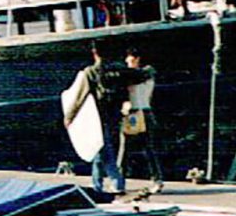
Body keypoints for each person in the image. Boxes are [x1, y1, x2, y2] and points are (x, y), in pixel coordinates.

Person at [64, 42, 149, 199]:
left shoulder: (91, 72)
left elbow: (79, 98)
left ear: (95, 53)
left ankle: (116, 183)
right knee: (102, 150)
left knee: (103, 150)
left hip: (97, 117)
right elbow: (141, 75)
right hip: (115, 114)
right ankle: (97, 183)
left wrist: (69, 117)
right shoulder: (119, 69)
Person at [118, 48, 163, 192]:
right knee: (125, 149)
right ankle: (121, 179)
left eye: (130, 60)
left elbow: (142, 74)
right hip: (134, 111)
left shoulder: (144, 73)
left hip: (141, 110)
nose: (127, 63)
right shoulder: (136, 75)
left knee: (147, 148)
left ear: (137, 59)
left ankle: (156, 179)